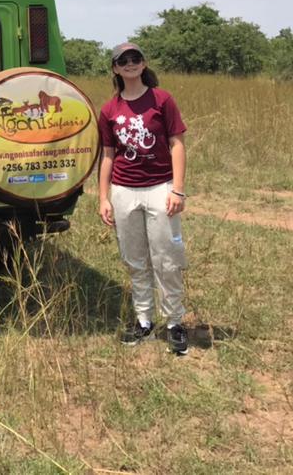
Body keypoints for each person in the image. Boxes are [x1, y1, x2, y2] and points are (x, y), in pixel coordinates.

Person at [97, 42, 190, 356]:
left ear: (143, 63)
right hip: (124, 190)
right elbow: (108, 156)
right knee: (135, 260)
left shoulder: (161, 100)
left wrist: (177, 189)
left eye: (135, 58)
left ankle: (175, 322)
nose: (131, 63)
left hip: (159, 187)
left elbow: (177, 144)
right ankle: (143, 320)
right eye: (124, 60)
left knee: (167, 258)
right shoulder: (109, 110)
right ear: (115, 68)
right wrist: (104, 197)